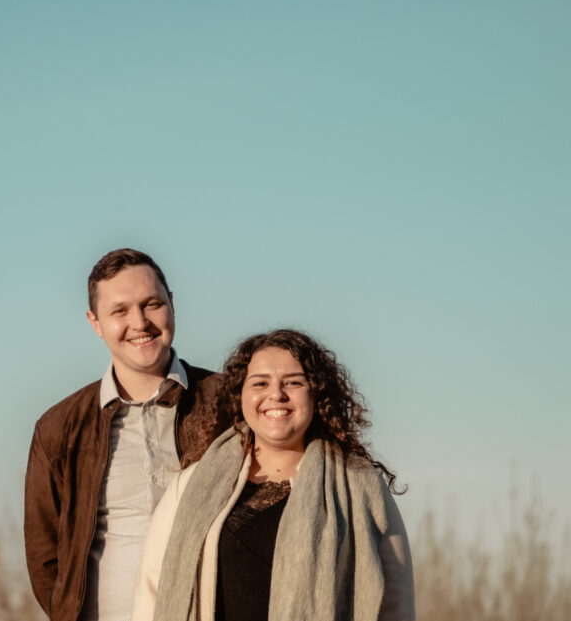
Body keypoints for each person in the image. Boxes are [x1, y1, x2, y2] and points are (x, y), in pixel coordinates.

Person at [131, 329, 414, 621]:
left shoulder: (360, 485)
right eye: (260, 383)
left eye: (293, 382)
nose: (276, 394)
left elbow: (396, 602)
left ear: (316, 394)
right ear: (240, 395)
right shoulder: (189, 485)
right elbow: (151, 591)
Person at [24, 248, 229, 621]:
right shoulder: (58, 428)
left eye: (152, 304)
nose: (140, 322)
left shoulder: (230, 403)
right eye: (120, 310)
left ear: (172, 305)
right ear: (95, 322)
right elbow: (45, 556)